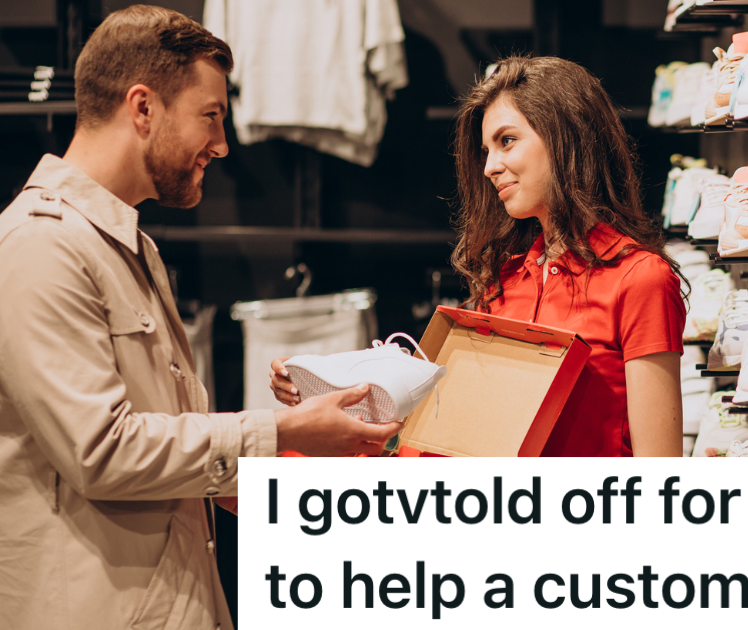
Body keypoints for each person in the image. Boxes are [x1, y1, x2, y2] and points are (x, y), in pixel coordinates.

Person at [0, 6, 400, 629]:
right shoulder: (40, 246)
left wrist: (289, 471)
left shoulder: (128, 246)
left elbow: (162, 446)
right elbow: (102, 452)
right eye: (210, 116)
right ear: (143, 107)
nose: (222, 143)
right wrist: (282, 432)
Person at [271, 57, 687, 456]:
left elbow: (659, 470)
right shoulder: (507, 281)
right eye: (487, 149)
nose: (490, 167)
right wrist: (329, 388)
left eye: (507, 141)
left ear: (567, 136)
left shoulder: (640, 278)